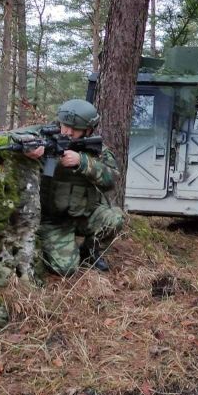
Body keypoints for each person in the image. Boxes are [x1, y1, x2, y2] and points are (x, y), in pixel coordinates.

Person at [19, 99, 124, 275]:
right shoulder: (43, 135)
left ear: (88, 130)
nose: (66, 131)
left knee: (115, 219)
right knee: (65, 269)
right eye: (63, 125)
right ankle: (58, 246)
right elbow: (15, 135)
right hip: (53, 221)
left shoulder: (96, 149)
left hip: (85, 213)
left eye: (74, 129)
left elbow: (112, 179)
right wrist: (27, 147)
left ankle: (89, 252)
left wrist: (82, 162)